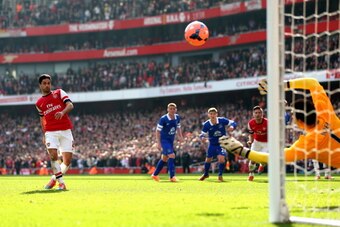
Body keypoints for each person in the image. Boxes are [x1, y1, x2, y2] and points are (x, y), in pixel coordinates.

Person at [219, 78, 340, 170]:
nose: (291, 117)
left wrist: (240, 150)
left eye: (293, 115)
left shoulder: (307, 144)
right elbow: (313, 83)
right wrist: (281, 85)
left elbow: (272, 158)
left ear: (301, 122)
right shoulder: (325, 112)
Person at [36, 74, 75, 190]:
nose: (47, 85)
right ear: (40, 85)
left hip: (65, 130)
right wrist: (44, 134)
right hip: (50, 132)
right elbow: (42, 119)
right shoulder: (39, 103)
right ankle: (61, 183)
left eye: (48, 83)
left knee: (67, 161)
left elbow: (70, 105)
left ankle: (54, 179)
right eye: (44, 83)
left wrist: (62, 112)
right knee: (53, 156)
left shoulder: (59, 92)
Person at [198, 107, 237, 182]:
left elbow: (233, 122)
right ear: (208, 115)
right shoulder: (206, 124)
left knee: (221, 158)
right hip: (212, 144)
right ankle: (206, 174)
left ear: (217, 114)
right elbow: (202, 134)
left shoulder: (222, 120)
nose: (212, 115)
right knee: (208, 159)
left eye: (214, 114)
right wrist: (202, 138)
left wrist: (232, 126)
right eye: (211, 114)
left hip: (222, 143)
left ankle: (220, 175)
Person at [151, 103, 183, 182]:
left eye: (173, 109)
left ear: (176, 109)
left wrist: (180, 136)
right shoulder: (163, 119)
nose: (172, 110)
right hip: (164, 140)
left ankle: (154, 175)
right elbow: (158, 131)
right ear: (167, 109)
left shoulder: (177, 117)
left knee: (164, 158)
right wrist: (158, 143)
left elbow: (178, 127)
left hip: (171, 140)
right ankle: (172, 176)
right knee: (172, 155)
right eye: (170, 108)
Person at [247, 106, 268, 181]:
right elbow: (251, 134)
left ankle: (262, 165)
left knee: (263, 160)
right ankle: (251, 174)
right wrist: (250, 141)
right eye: (256, 113)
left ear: (262, 114)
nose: (257, 114)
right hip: (256, 142)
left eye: (259, 113)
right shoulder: (250, 123)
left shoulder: (267, 123)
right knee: (252, 159)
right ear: (253, 114)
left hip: (267, 143)